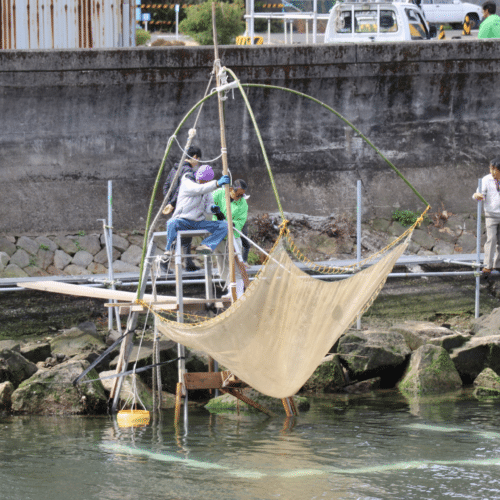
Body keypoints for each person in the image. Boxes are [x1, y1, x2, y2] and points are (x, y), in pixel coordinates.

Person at [164, 165, 230, 259]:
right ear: (198, 177)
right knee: (171, 222)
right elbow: (198, 189)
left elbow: (208, 204)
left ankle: (206, 245)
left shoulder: (206, 188)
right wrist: (217, 184)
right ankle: (169, 248)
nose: (203, 183)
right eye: (202, 181)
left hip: (199, 222)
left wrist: (212, 208)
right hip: (183, 221)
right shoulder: (187, 182)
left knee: (225, 225)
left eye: (205, 182)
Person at [162, 146, 202, 272]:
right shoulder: (187, 171)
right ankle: (165, 262)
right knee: (180, 235)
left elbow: (166, 187)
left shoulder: (175, 169)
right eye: (198, 160)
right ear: (194, 157)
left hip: (175, 208)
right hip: (182, 208)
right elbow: (181, 190)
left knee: (182, 235)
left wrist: (169, 203)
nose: (197, 163)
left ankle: (188, 262)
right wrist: (174, 203)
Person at [211, 179, 250, 298]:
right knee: (222, 264)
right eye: (238, 195)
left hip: (233, 237)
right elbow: (207, 202)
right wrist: (214, 211)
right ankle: (230, 289)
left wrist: (233, 224)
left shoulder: (243, 204)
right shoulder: (219, 194)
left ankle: (238, 293)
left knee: (237, 265)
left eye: (242, 195)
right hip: (218, 234)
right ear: (231, 189)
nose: (239, 197)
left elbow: (240, 221)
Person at [472, 159, 500, 274]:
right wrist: (476, 195)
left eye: (496, 170)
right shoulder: (486, 179)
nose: (493, 172)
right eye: (491, 168)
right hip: (491, 215)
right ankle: (488, 265)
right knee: (491, 239)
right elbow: (478, 194)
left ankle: (497, 265)